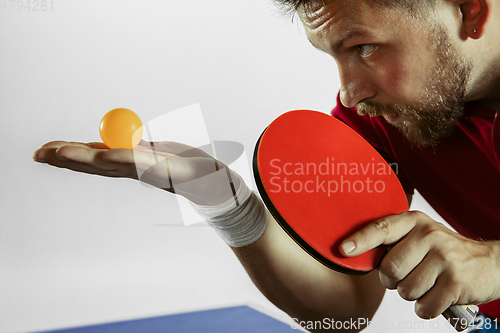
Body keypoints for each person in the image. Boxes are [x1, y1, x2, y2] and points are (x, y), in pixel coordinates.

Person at [33, 0, 500, 331]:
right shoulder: (380, 117)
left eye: (364, 48)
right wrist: (228, 206)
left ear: (469, 9)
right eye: (333, 55)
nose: (348, 93)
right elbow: (345, 312)